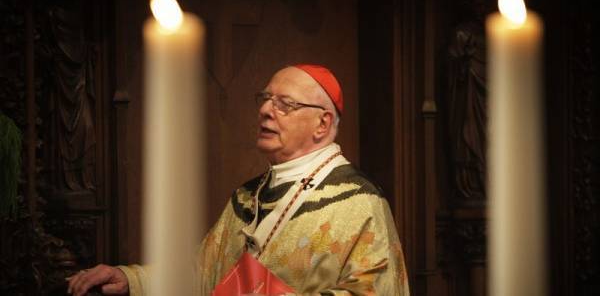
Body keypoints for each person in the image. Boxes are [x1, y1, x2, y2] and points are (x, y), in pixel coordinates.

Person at [67, 64, 410, 295]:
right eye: (265, 99)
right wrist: (131, 279)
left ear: (322, 124)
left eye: (285, 104)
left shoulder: (359, 201)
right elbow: (204, 273)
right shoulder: (249, 196)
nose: (265, 110)